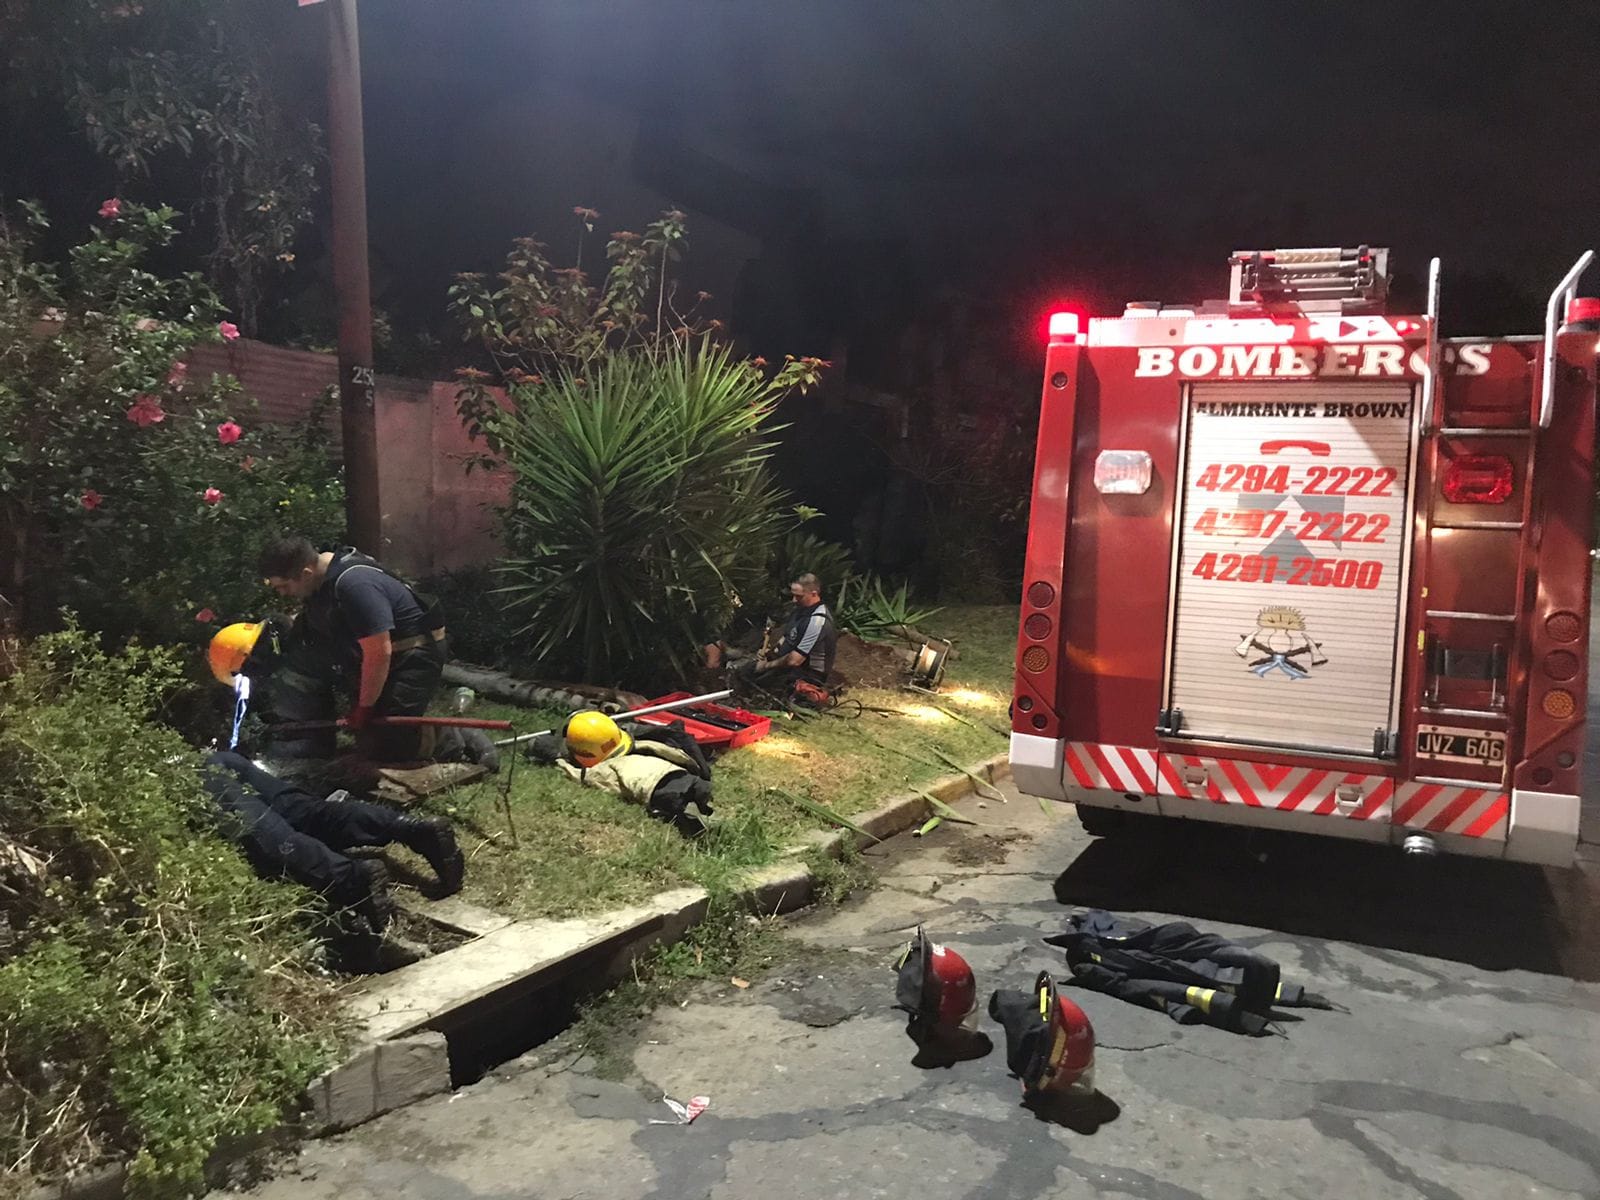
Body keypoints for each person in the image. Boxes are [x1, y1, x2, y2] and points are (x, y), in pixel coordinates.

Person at [252, 535, 496, 768]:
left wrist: (365, 707)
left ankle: (451, 736)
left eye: (284, 586)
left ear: (306, 573)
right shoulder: (321, 579)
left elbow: (380, 652)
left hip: (413, 654)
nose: (282, 593)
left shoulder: (354, 585)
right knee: (369, 734)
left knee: (386, 744)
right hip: (379, 653)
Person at [200, 751, 464, 934]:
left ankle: (350, 879)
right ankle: (412, 828)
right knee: (310, 813)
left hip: (196, 771)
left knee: (264, 831)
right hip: (219, 758)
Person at [734, 572, 838, 701]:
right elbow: (788, 638)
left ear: (813, 594)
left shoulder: (817, 621)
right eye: (793, 595)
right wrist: (769, 654)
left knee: (756, 682)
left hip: (806, 674)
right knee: (745, 671)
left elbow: (794, 660)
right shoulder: (800, 611)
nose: (794, 600)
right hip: (785, 667)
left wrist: (766, 666)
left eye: (799, 596)